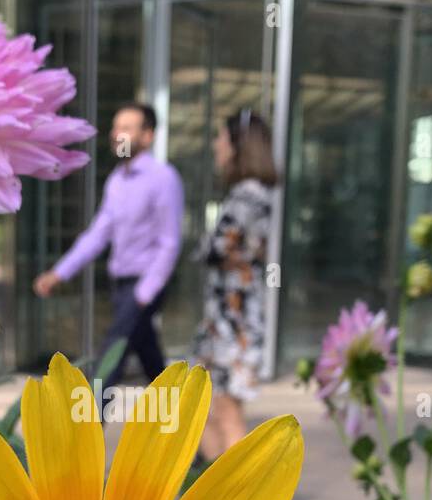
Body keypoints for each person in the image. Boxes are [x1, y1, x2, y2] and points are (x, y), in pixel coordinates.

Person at [33, 102, 183, 385]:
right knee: (150, 359)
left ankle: (87, 421)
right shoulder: (116, 181)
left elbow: (170, 243)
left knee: (110, 357)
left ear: (147, 135)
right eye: (115, 128)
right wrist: (59, 273)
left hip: (142, 285)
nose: (116, 135)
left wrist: (143, 294)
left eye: (126, 129)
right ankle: (175, 418)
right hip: (121, 286)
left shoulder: (163, 179)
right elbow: (97, 235)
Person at [194, 108, 279, 460]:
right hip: (229, 317)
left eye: (221, 137)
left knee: (226, 410)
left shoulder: (248, 194)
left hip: (234, 321)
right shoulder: (254, 194)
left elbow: (215, 248)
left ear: (238, 144)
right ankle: (214, 488)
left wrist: (207, 247)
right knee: (212, 409)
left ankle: (241, 496)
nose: (216, 145)